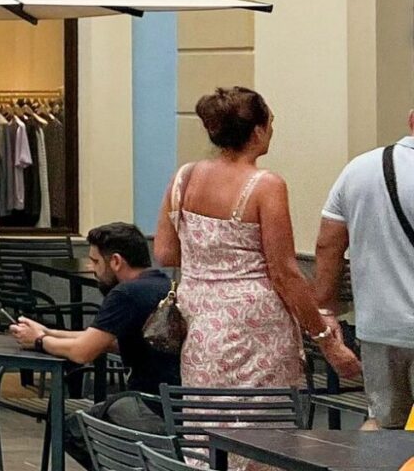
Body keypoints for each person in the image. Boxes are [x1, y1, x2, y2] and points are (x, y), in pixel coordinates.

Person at [155, 88, 356, 420]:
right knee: (261, 428)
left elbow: (165, 252)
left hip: (200, 324)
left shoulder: (183, 178)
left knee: (208, 422)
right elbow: (284, 273)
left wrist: (213, 264)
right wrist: (325, 339)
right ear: (258, 130)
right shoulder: (266, 186)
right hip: (257, 330)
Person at [7, 221, 178, 456]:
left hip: (148, 406)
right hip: (175, 406)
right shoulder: (164, 285)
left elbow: (82, 352)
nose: (91, 267)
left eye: (96, 261)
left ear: (116, 261)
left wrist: (38, 342)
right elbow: (101, 340)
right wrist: (46, 332)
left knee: (69, 427)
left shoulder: (125, 294)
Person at [316, 107, 414, 429]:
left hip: (379, 330)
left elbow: (328, 246)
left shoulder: (360, 168)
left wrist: (326, 311)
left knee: (385, 426)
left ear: (411, 119)